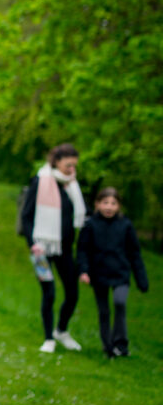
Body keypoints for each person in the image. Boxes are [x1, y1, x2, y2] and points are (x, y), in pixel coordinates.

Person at [18, 143, 86, 353]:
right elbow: (26, 216)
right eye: (68, 165)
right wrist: (33, 244)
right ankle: (48, 338)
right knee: (49, 293)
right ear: (56, 161)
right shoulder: (41, 181)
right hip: (41, 249)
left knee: (73, 293)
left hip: (64, 248)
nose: (72, 169)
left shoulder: (71, 185)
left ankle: (61, 331)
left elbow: (80, 214)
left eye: (74, 165)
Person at [77, 187, 149, 357]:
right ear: (97, 204)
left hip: (120, 274)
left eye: (113, 203)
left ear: (119, 206)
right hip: (99, 274)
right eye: (105, 203)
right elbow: (82, 251)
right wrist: (84, 271)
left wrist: (141, 279)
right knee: (104, 311)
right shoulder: (90, 225)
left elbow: (134, 253)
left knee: (119, 302)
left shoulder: (125, 226)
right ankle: (108, 346)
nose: (109, 207)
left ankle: (121, 344)